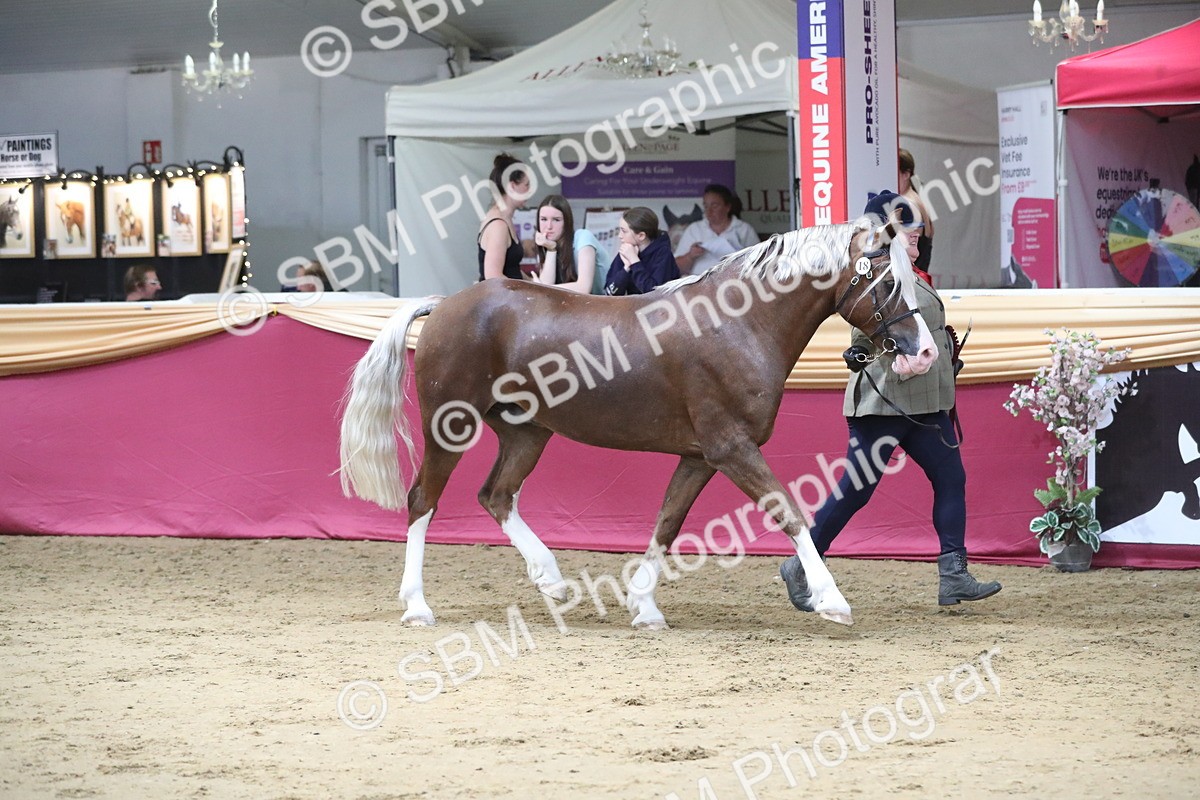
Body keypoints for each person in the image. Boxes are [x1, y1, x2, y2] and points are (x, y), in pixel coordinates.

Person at [779, 190, 1001, 612]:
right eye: (908, 226)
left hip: (927, 403)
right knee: (855, 491)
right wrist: (864, 354)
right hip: (885, 405)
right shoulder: (881, 277)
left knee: (950, 478)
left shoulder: (915, 274)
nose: (917, 233)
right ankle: (802, 565)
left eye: (917, 226)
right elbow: (865, 337)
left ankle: (954, 576)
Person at [672, 184, 760, 276]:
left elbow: (759, 264)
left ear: (727, 207)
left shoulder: (744, 230)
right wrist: (690, 256)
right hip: (698, 285)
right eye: (706, 206)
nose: (709, 211)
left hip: (734, 284)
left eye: (714, 206)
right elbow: (676, 268)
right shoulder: (694, 229)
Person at [529, 195, 609, 294]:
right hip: (579, 305)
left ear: (567, 221)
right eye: (544, 219)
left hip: (607, 304)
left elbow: (584, 288)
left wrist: (544, 289)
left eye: (556, 220)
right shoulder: (546, 244)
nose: (549, 226)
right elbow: (547, 284)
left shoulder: (583, 237)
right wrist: (551, 249)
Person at [478, 153, 531, 281]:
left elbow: (512, 269)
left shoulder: (504, 220)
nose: (530, 190)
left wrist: (533, 284)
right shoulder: (498, 226)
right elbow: (493, 277)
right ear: (512, 186)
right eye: (527, 185)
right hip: (501, 299)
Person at [602, 207, 680, 296]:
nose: (619, 236)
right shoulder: (626, 251)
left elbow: (654, 295)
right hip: (633, 307)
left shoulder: (663, 254)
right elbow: (609, 294)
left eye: (624, 231)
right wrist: (626, 268)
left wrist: (635, 262)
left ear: (641, 236)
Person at [898, 148, 935, 273]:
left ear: (906, 174)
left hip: (913, 280)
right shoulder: (916, 199)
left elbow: (910, 254)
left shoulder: (909, 204)